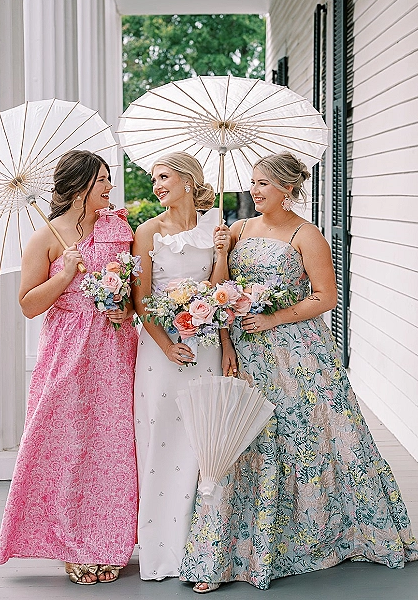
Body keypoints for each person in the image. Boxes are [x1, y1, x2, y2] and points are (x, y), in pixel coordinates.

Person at [179, 151, 418, 592]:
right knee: (248, 441)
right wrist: (221, 259)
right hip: (248, 352)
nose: (253, 191)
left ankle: (317, 535)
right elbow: (217, 290)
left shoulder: (306, 235)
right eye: (252, 183)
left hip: (299, 357)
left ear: (288, 189)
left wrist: (273, 318)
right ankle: (237, 549)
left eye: (263, 185)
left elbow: (326, 297)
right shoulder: (237, 229)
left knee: (306, 438)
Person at [0, 150, 138, 586]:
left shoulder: (119, 227)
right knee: (67, 444)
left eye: (109, 180)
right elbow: (28, 305)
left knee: (114, 447)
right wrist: (65, 275)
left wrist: (124, 310)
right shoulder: (45, 238)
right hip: (66, 349)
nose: (109, 188)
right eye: (101, 181)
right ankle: (73, 545)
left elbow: (135, 289)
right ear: (78, 187)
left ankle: (110, 543)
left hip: (114, 349)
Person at [132, 151, 235, 581]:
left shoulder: (216, 228)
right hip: (160, 351)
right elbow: (140, 299)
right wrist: (166, 345)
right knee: (161, 446)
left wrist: (223, 251)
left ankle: (206, 554)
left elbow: (219, 290)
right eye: (154, 179)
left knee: (204, 445)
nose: (157, 185)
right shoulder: (147, 232)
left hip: (207, 345)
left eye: (164, 177)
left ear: (189, 181)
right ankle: (162, 553)